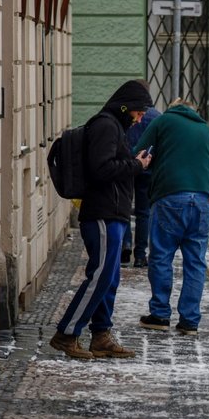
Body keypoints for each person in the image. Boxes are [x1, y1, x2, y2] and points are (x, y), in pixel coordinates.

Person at [49, 79, 154, 359]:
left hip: (112, 213)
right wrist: (136, 165)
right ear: (125, 106)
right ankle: (67, 333)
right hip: (103, 214)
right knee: (101, 276)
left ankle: (101, 335)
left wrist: (132, 161)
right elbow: (101, 169)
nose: (141, 117)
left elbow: (108, 164)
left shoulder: (113, 126)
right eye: (139, 112)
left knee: (110, 277)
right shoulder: (106, 125)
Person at [134, 99, 209, 336]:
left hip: (171, 196)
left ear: (173, 109)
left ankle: (160, 314)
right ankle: (190, 320)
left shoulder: (163, 121)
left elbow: (139, 152)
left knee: (161, 256)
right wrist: (208, 198)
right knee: (196, 262)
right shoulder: (206, 130)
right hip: (204, 200)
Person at [122, 104, 161, 268]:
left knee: (123, 208)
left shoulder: (127, 114)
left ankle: (125, 246)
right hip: (147, 169)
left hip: (126, 166)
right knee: (143, 213)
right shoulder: (157, 116)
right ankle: (140, 255)